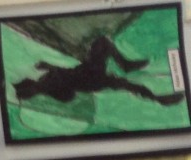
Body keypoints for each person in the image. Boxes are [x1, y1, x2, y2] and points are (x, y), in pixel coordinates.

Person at [14, 34, 185, 106]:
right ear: (30, 91)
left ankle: (128, 67)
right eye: (28, 89)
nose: (30, 85)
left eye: (27, 86)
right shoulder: (48, 89)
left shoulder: (43, 81)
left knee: (103, 44)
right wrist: (56, 73)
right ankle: (157, 97)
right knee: (103, 45)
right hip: (89, 78)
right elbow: (68, 96)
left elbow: (65, 74)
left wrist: (51, 68)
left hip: (86, 72)